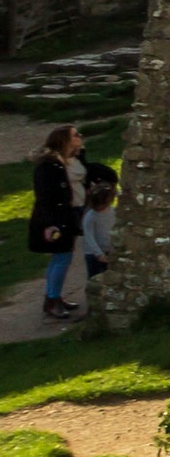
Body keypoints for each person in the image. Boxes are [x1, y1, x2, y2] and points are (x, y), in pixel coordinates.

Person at [25, 126, 86, 321]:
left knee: (62, 257)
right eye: (76, 135)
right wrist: (50, 224)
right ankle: (52, 300)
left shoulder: (72, 159)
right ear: (64, 140)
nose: (80, 137)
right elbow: (44, 197)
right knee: (62, 258)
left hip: (70, 213)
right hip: (59, 217)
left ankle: (54, 297)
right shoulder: (49, 166)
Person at [75, 165, 117, 314]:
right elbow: (89, 237)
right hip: (94, 255)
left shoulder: (113, 212)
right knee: (94, 280)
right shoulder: (90, 217)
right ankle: (93, 308)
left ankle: (110, 303)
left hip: (109, 251)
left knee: (111, 279)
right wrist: (98, 254)